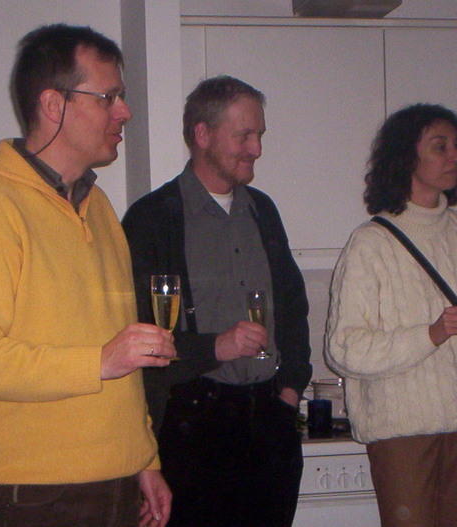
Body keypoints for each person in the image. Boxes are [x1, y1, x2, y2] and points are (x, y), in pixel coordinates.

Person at [0, 24, 175, 527]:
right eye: (108, 98)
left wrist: (144, 458)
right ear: (54, 105)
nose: (125, 112)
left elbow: (118, 357)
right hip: (36, 501)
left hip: (116, 487)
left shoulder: (98, 208)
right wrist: (97, 362)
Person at [122, 75, 312, 527]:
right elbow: (138, 335)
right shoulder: (153, 219)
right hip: (191, 428)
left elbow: (293, 306)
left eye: (259, 135)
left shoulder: (263, 210)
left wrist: (289, 392)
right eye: (244, 135)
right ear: (202, 134)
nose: (256, 149)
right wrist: (214, 347)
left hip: (269, 422)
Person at [325, 104, 457, 527]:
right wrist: (431, 334)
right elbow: (344, 349)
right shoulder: (370, 243)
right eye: (440, 146)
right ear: (406, 157)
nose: (456, 157)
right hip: (404, 431)